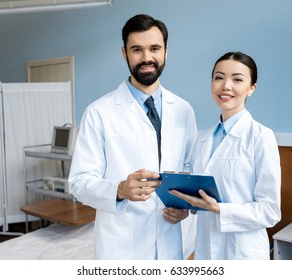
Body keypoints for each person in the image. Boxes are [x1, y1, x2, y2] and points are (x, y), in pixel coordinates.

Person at [68, 14, 197, 260]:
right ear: (124, 53)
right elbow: (79, 182)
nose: (146, 58)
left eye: (154, 48)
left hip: (170, 239)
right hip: (121, 246)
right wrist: (119, 189)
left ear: (166, 52)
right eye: (137, 49)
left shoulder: (183, 109)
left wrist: (185, 208)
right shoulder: (99, 112)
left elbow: (190, 170)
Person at [170, 52, 281, 259]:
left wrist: (220, 209)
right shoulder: (202, 140)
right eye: (219, 78)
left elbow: (270, 211)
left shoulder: (261, 137)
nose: (225, 86)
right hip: (206, 250)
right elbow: (199, 196)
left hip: (242, 252)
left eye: (237, 79)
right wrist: (184, 209)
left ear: (251, 89)